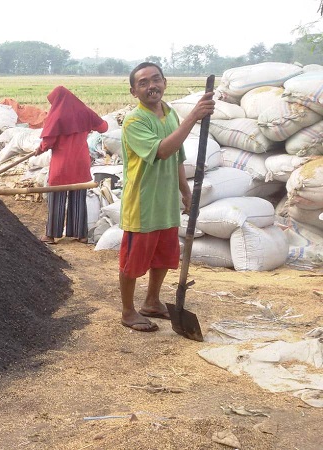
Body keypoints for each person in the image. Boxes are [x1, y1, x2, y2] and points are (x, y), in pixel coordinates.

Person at [118, 62, 215, 332]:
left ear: (165, 82)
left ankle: (152, 301)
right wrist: (193, 118)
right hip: (143, 203)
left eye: (156, 79)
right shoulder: (134, 120)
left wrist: (185, 192)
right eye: (143, 83)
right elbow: (162, 150)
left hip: (166, 202)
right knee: (133, 260)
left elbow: (175, 158)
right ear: (133, 91)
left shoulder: (170, 114)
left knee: (163, 256)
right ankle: (128, 311)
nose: (151, 86)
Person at [36, 86, 109, 245]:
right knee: (78, 198)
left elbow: (48, 142)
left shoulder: (56, 116)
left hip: (62, 164)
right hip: (80, 162)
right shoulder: (85, 112)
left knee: (57, 198)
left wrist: (39, 149)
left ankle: (51, 235)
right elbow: (103, 127)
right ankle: (80, 234)